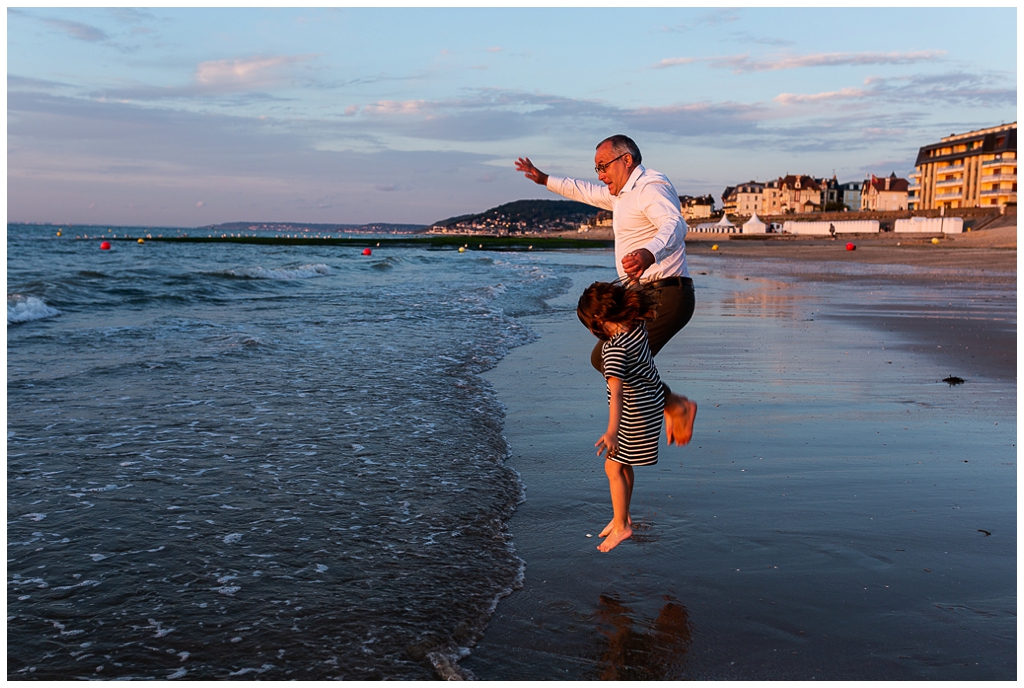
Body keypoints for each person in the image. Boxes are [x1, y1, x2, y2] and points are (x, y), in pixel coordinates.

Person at [515, 135, 697, 445]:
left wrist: (648, 252)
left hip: (667, 294)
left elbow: (674, 224)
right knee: (613, 360)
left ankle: (663, 412)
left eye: (603, 166)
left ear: (626, 160)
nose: (600, 175)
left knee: (610, 359)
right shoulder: (622, 194)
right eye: (596, 168)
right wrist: (545, 179)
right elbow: (583, 190)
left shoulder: (650, 187)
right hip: (645, 296)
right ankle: (668, 408)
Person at [577, 281, 664, 552]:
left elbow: (616, 393)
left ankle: (622, 526)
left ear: (598, 320)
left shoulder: (614, 350)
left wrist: (612, 430)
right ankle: (621, 515)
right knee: (623, 463)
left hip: (634, 411)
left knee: (612, 467)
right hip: (651, 404)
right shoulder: (636, 327)